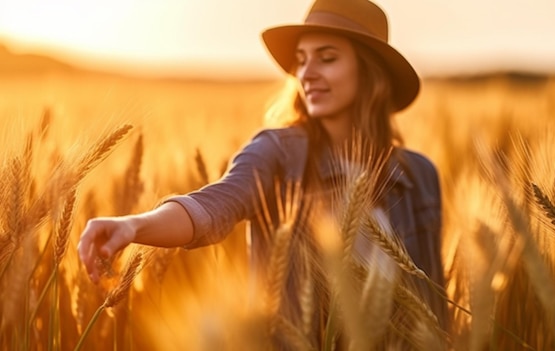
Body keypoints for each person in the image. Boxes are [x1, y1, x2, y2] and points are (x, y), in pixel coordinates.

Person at [78, 0, 448, 346]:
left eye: (327, 58)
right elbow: (214, 206)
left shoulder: (419, 175)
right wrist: (135, 226)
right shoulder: (279, 153)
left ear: (369, 71)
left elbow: (433, 306)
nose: (307, 73)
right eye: (301, 60)